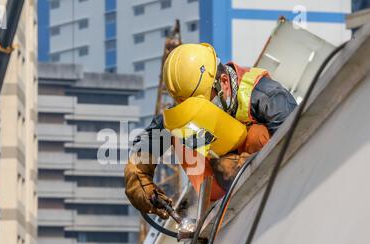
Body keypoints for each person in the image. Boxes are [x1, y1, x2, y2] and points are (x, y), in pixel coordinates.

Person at [124, 43, 298, 219]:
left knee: (257, 135)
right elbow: (153, 135)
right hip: (218, 193)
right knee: (179, 132)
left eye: (200, 106)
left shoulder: (266, 96)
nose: (196, 114)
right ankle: (213, 212)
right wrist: (137, 174)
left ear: (223, 82)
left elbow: (296, 141)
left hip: (268, 177)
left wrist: (245, 166)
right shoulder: (192, 107)